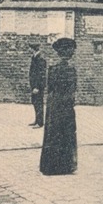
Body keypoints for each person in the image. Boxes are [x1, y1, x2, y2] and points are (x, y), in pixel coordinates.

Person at [40, 37, 78, 175]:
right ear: (67, 52)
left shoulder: (52, 69)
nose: (73, 52)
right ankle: (65, 166)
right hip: (65, 105)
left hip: (53, 105)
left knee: (53, 133)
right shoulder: (71, 70)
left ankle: (50, 166)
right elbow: (72, 92)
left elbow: (49, 89)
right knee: (65, 133)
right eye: (71, 50)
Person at [28, 41, 47, 128]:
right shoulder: (35, 57)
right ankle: (37, 120)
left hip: (37, 86)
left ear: (33, 49)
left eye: (30, 48)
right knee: (35, 102)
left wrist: (37, 87)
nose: (29, 50)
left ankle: (40, 123)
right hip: (34, 85)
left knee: (39, 103)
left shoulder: (40, 59)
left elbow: (41, 74)